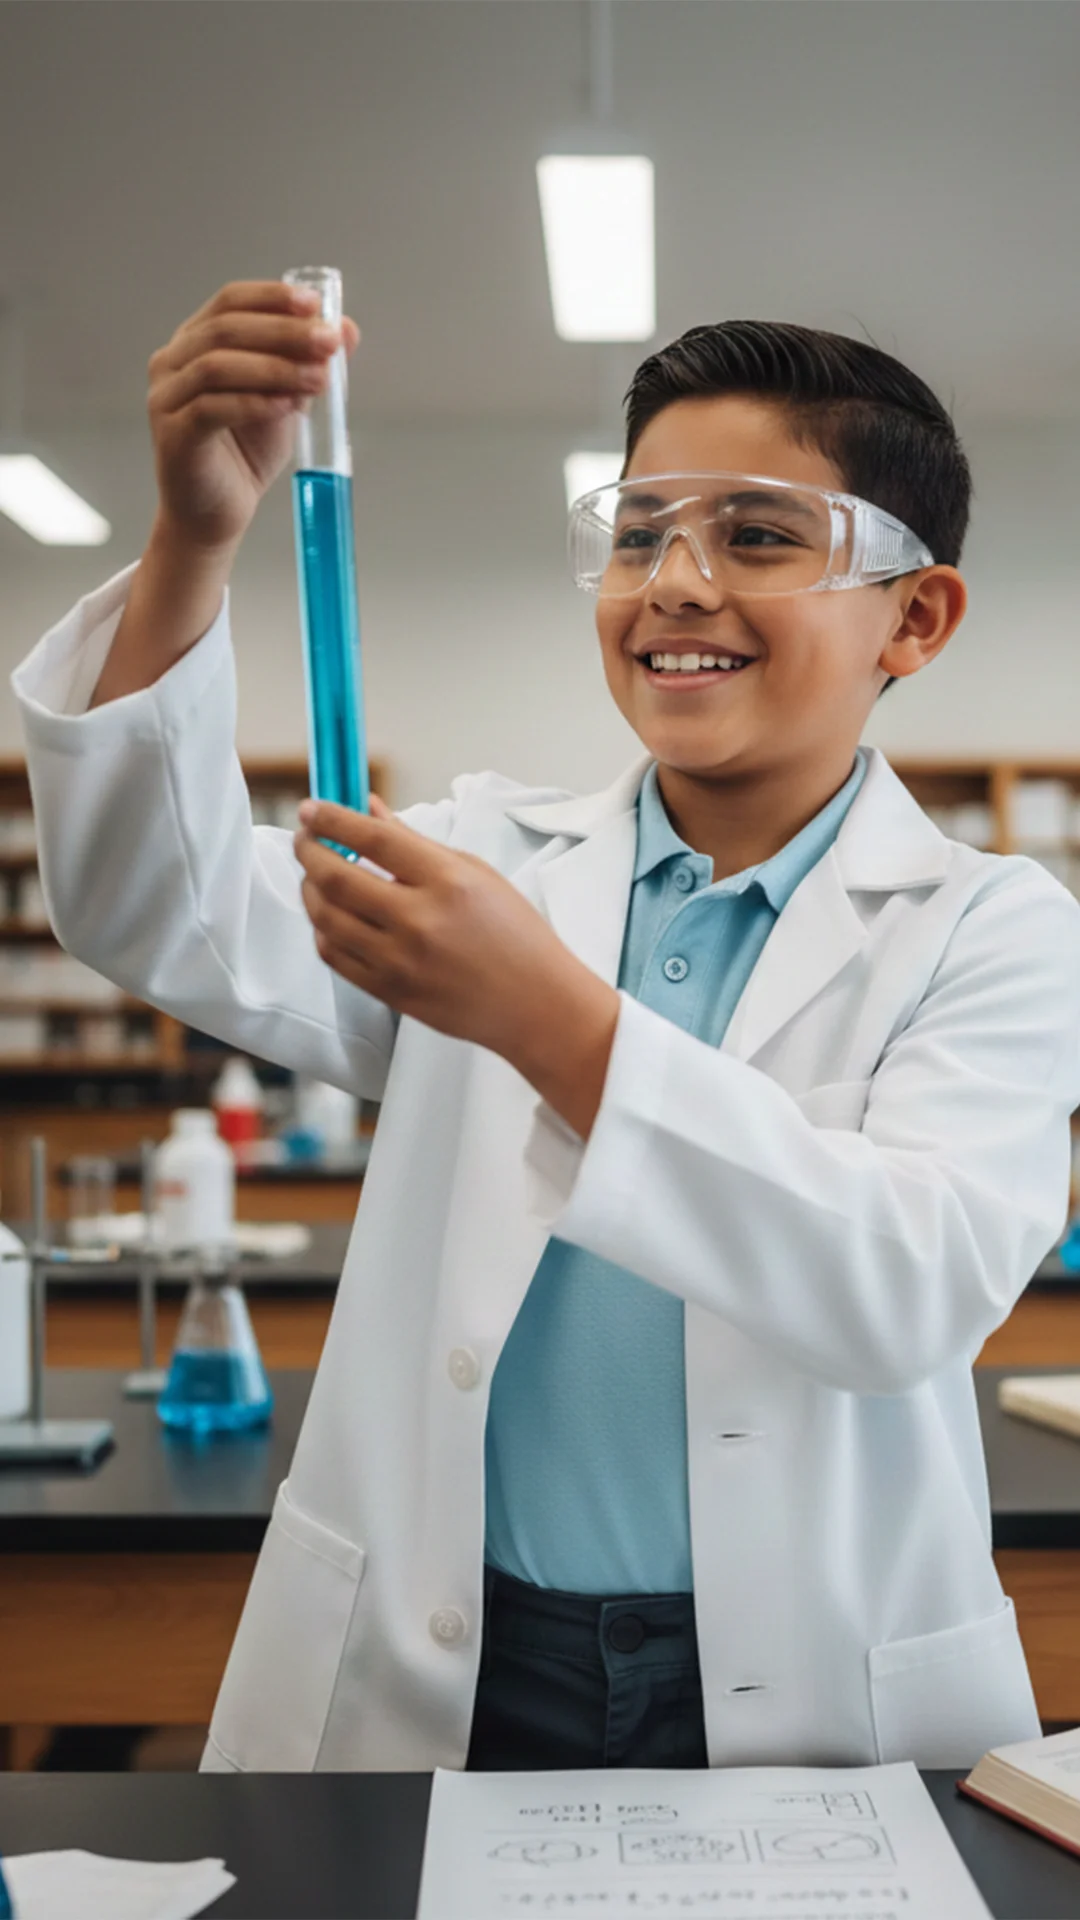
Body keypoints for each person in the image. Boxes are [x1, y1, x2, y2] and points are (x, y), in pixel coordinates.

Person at [13, 286, 1080, 1775]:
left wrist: (545, 1014)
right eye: (640, 532)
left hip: (805, 1686)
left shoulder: (993, 925)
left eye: (759, 536)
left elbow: (900, 1287)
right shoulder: (487, 864)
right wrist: (196, 539)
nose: (676, 583)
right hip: (455, 1658)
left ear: (918, 615)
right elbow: (154, 903)